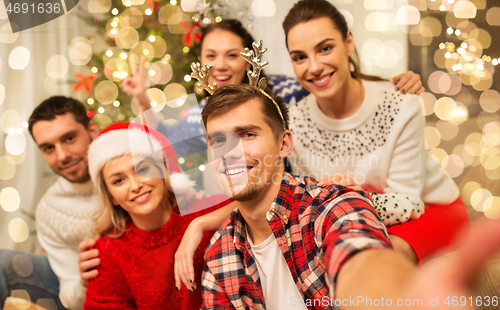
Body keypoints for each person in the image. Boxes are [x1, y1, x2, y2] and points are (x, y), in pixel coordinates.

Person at [200, 82, 499, 310]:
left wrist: (398, 297)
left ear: (284, 144)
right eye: (218, 141)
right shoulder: (219, 254)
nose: (231, 154)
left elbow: (359, 259)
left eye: (248, 135)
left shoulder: (332, 205)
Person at [283, 0, 468, 262]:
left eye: (325, 48)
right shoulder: (294, 121)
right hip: (352, 220)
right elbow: (312, 203)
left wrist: (347, 199)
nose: (313, 67)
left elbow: (408, 201)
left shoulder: (401, 103)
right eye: (300, 57)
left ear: (348, 42)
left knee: (373, 258)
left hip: (431, 210)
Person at [83, 122, 233, 310]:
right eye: (119, 180)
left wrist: (199, 225)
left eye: (142, 170)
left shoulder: (199, 211)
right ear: (111, 196)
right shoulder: (109, 250)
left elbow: (257, 204)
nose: (135, 185)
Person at [1, 96, 100, 310]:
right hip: (89, 290)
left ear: (92, 130)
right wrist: (84, 280)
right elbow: (71, 298)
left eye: (69, 138)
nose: (62, 155)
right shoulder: (50, 210)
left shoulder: (131, 168)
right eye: (48, 148)